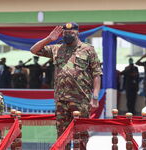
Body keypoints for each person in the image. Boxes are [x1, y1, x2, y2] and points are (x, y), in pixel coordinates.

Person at [30, 22, 102, 150]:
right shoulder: (57, 49)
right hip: (61, 100)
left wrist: (95, 97)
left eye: (71, 32)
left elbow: (97, 74)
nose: (68, 35)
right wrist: (49, 39)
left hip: (81, 100)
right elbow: (33, 50)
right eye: (65, 33)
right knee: (62, 136)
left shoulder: (88, 49)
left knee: (80, 135)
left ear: (77, 33)